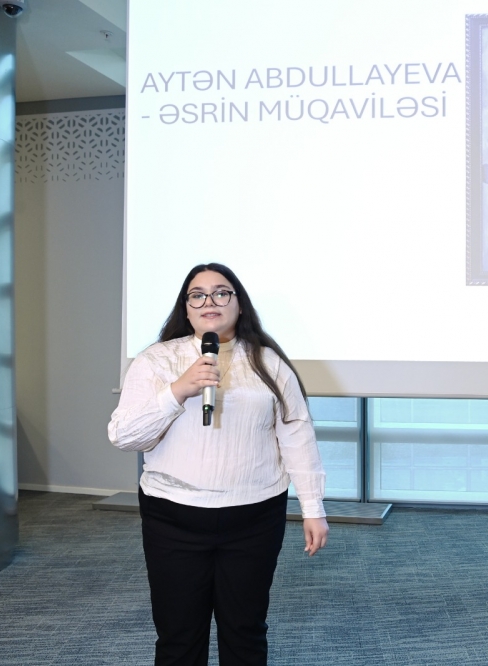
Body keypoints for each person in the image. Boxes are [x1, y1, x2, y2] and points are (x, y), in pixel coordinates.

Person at [108, 262, 328, 665]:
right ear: (186, 308)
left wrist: (313, 508)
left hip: (255, 515)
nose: (209, 301)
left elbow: (296, 434)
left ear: (239, 304)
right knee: (179, 636)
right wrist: (178, 390)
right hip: (173, 516)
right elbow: (125, 436)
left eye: (221, 292)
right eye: (197, 295)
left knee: (245, 632)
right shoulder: (157, 361)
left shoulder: (267, 362)